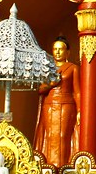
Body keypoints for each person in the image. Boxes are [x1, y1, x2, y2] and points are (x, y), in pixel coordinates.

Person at [34, 36, 81, 166]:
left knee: (62, 136)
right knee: (50, 136)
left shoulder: (72, 68)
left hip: (66, 105)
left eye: (61, 49)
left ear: (68, 52)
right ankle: (50, 169)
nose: (58, 52)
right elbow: (39, 89)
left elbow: (77, 91)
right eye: (55, 49)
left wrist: (79, 110)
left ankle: (62, 168)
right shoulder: (46, 68)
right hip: (49, 105)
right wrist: (51, 83)